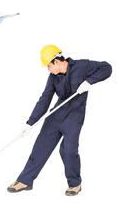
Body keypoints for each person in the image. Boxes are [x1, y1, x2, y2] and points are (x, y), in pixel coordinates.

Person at [7, 45, 112, 196]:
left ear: (56, 61)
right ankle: (25, 180)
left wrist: (89, 81)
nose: (48, 69)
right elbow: (45, 99)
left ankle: (75, 184)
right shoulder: (52, 78)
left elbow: (107, 67)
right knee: (41, 146)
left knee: (68, 150)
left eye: (48, 66)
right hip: (56, 114)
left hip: (74, 116)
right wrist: (30, 123)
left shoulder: (82, 66)